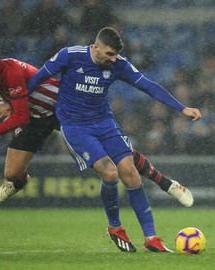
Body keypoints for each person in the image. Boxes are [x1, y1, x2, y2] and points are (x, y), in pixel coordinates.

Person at [0, 47, 193, 209]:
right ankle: (21, 182)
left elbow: (19, 117)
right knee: (10, 173)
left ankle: (167, 183)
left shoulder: (12, 72)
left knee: (118, 155)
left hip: (64, 110)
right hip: (34, 116)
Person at [27, 27, 202, 253]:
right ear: (96, 46)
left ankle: (151, 238)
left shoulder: (118, 64)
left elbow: (148, 86)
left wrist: (182, 108)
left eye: (115, 55)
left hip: (104, 122)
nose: (113, 59)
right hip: (76, 127)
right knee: (110, 173)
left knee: (129, 171)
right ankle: (115, 227)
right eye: (109, 54)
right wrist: (13, 104)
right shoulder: (69, 55)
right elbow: (36, 79)